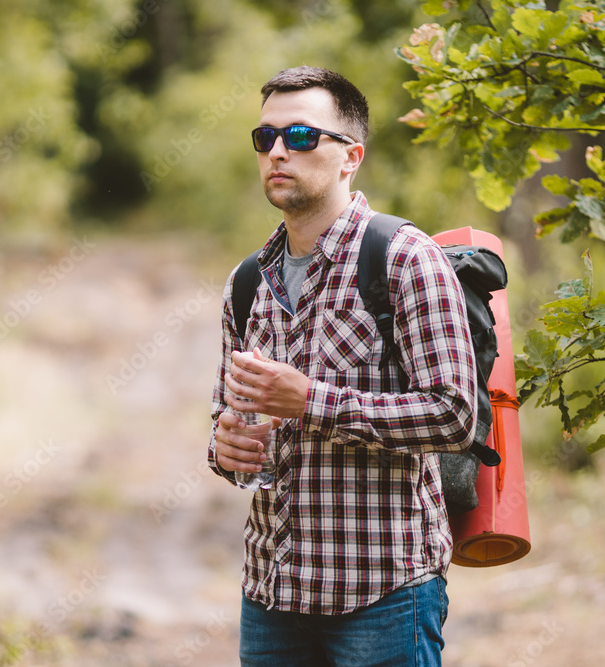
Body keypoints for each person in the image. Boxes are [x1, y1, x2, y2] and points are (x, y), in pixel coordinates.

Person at [207, 65, 478, 666]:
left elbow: (456, 416)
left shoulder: (406, 260)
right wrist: (224, 448)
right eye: (266, 138)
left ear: (350, 156)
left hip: (383, 594)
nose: (278, 151)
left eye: (301, 137)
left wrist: (310, 400)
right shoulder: (248, 282)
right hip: (272, 593)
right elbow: (226, 422)